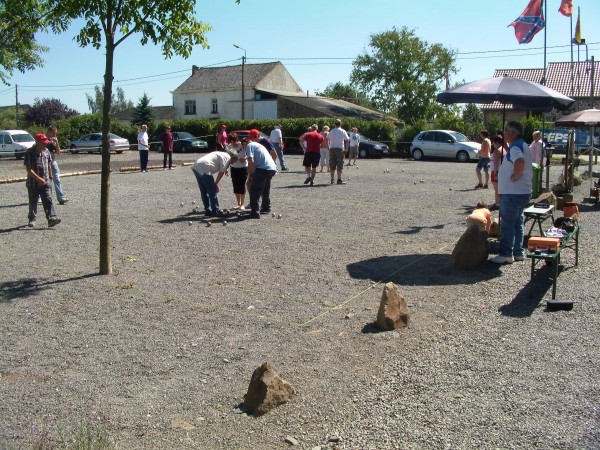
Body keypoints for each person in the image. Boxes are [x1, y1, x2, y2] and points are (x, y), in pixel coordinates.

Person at [490, 121, 533, 264]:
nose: (503, 135)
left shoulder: (515, 147)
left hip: (512, 192)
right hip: (522, 192)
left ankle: (506, 254)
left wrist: (515, 176)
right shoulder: (523, 144)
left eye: (505, 132)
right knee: (517, 222)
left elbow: (519, 162)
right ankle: (518, 252)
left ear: (511, 133)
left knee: (507, 224)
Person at [24, 133, 61, 228]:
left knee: (48, 199)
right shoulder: (29, 153)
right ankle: (32, 219)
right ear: (37, 142)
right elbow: (29, 169)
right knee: (33, 201)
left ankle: (51, 218)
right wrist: (38, 179)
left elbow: (48, 164)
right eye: (43, 142)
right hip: (33, 182)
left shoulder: (46, 151)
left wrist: (50, 176)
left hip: (45, 181)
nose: (45, 144)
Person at [191, 148, 238, 217]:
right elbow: (221, 172)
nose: (233, 163)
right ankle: (215, 210)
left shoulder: (222, 154)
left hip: (196, 166)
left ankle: (208, 210)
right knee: (212, 191)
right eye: (233, 161)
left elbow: (221, 165)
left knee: (204, 190)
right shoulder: (228, 157)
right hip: (204, 167)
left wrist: (226, 169)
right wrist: (216, 184)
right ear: (232, 157)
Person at [245, 129, 277, 219]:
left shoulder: (250, 145)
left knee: (255, 189)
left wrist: (250, 174)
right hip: (272, 168)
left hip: (262, 169)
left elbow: (251, 160)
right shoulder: (260, 145)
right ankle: (266, 207)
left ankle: (255, 212)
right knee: (265, 189)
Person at [46, 125, 68, 205]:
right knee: (45, 179)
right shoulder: (43, 139)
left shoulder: (54, 140)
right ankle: (42, 197)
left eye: (55, 133)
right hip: (44, 162)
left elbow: (58, 152)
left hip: (53, 161)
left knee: (57, 179)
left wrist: (57, 142)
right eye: (53, 133)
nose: (55, 135)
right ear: (49, 131)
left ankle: (60, 198)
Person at [227, 133, 248, 209]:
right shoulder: (229, 147)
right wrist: (230, 162)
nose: (233, 143)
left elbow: (249, 153)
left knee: (242, 185)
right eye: (231, 142)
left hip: (243, 167)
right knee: (235, 186)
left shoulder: (242, 144)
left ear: (237, 140)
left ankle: (242, 204)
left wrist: (245, 158)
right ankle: (238, 203)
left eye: (234, 141)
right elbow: (228, 158)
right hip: (234, 168)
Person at [328, 119, 349, 185]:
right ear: (340, 124)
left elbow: (327, 139)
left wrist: (329, 147)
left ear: (335, 124)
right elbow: (347, 140)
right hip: (340, 148)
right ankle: (339, 179)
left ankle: (332, 179)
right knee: (340, 164)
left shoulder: (331, 131)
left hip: (332, 148)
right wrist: (346, 149)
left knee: (332, 164)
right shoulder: (342, 131)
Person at [489, 135, 505, 210]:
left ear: (496, 142)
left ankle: (497, 203)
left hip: (496, 171)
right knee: (499, 189)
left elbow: (495, 162)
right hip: (501, 171)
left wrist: (495, 173)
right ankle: (499, 202)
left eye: (493, 142)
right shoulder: (503, 149)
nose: (492, 144)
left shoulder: (497, 150)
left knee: (497, 190)